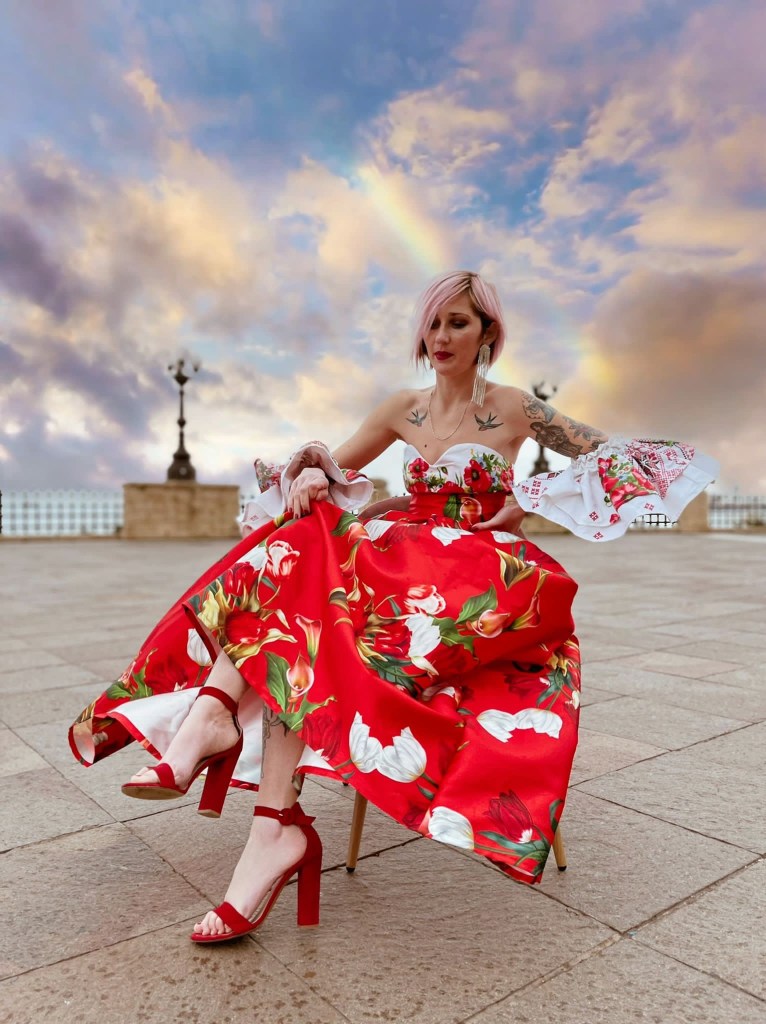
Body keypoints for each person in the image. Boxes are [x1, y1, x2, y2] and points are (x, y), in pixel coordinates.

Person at [68, 270, 717, 943]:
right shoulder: (400, 410)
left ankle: (221, 736)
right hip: (407, 563)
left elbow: (614, 453)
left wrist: (530, 498)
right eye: (434, 323)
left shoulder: (516, 408)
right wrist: (316, 473)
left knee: (308, 602)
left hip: (478, 575)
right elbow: (329, 468)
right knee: (302, 561)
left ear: (486, 333)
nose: (441, 336)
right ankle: (251, 791)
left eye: (458, 323)